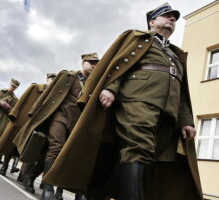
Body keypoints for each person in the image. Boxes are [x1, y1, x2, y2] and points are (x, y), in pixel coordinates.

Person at [44, 3, 203, 200]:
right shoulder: (138, 39)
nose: (172, 19)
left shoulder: (175, 55)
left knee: (146, 157)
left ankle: (95, 195)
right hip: (138, 100)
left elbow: (182, 92)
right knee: (139, 148)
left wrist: (186, 120)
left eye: (174, 18)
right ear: (152, 21)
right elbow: (119, 65)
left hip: (168, 114)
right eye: (167, 16)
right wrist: (111, 88)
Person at [13, 53, 99, 200]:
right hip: (59, 117)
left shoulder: (93, 84)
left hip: (75, 124)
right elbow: (49, 93)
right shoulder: (68, 76)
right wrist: (34, 111)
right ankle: (48, 189)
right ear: (83, 62)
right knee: (55, 148)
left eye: (96, 63)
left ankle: (30, 177)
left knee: (59, 155)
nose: (93, 65)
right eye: (91, 62)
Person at [0, 73, 56, 178]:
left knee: (28, 149)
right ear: (47, 79)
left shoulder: (54, 96)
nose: (53, 81)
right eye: (51, 78)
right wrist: (14, 114)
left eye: (55, 79)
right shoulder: (35, 87)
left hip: (35, 125)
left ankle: (21, 174)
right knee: (11, 145)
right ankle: (4, 166)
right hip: (21, 121)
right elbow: (22, 100)